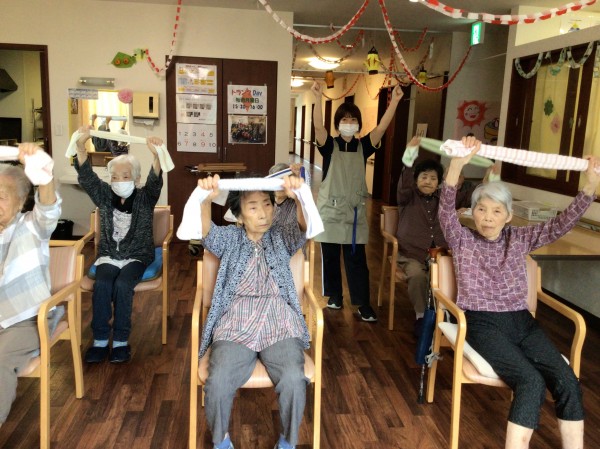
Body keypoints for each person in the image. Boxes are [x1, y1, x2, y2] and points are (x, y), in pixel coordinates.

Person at [439, 135, 600, 449]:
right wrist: (458, 163)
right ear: (472, 212)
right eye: (481, 209)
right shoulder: (462, 239)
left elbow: (561, 224)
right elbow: (446, 210)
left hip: (522, 323)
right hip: (482, 323)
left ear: (508, 216)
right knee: (530, 382)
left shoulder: (520, 238)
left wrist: (590, 186)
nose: (488, 217)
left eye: (496, 211)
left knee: (567, 380)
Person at [196, 173, 310, 449]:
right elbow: (205, 232)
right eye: (253, 207)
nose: (263, 213)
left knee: (294, 378)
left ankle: (288, 442)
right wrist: (206, 199)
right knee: (218, 380)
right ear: (239, 216)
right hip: (235, 320)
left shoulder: (282, 236)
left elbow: (304, 227)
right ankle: (221, 442)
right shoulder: (229, 239)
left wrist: (299, 199)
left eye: (267, 204)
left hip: (279, 320)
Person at [311, 81, 404, 322]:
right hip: (330, 212)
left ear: (358, 124)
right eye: (345, 119)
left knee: (357, 261)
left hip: (354, 214)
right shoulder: (329, 145)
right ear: (338, 124)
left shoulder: (364, 146)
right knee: (330, 258)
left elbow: (382, 127)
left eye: (353, 120)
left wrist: (394, 101)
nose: (349, 123)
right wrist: (317, 98)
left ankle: (363, 303)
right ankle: (334, 296)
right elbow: (318, 126)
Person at [74, 126, 164, 364]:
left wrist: (156, 154)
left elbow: (155, 181)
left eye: (125, 176)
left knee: (124, 285)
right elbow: (87, 177)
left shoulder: (145, 198)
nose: (119, 181)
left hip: (137, 256)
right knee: (103, 283)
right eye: (114, 177)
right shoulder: (104, 195)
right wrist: (81, 146)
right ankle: (100, 340)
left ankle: (121, 342)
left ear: (136, 178)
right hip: (109, 255)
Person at [396, 136, 485, 337]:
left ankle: (449, 315)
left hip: (442, 254)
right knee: (418, 275)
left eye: (433, 178)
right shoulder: (407, 196)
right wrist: (410, 155)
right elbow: (405, 179)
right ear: (416, 180)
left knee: (459, 274)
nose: (428, 181)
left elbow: (468, 195)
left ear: (439, 183)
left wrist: (487, 179)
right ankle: (422, 318)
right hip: (412, 254)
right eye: (424, 177)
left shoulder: (444, 199)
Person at [0, 143, 61, 427]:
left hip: (26, 320)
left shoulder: (31, 226)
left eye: (2, 196)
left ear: (21, 200)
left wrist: (39, 168)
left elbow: (48, 208)